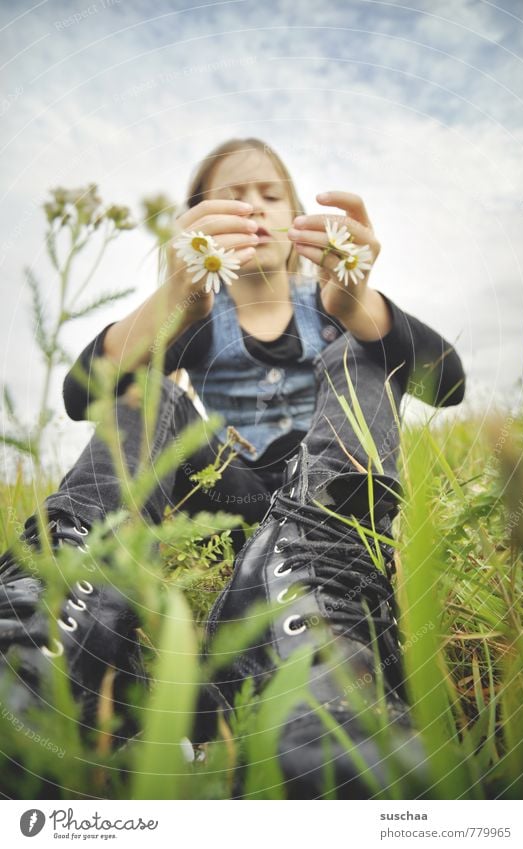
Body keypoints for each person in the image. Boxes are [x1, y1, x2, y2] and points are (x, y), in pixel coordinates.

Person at [0, 138, 465, 799]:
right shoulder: (198, 322)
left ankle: (321, 634)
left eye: (269, 195)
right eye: (229, 197)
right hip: (221, 496)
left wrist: (359, 307)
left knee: (367, 354)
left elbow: (447, 383)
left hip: (319, 506)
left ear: (299, 220)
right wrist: (173, 303)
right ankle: (51, 607)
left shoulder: (332, 309)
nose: (251, 207)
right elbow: (83, 391)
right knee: (142, 385)